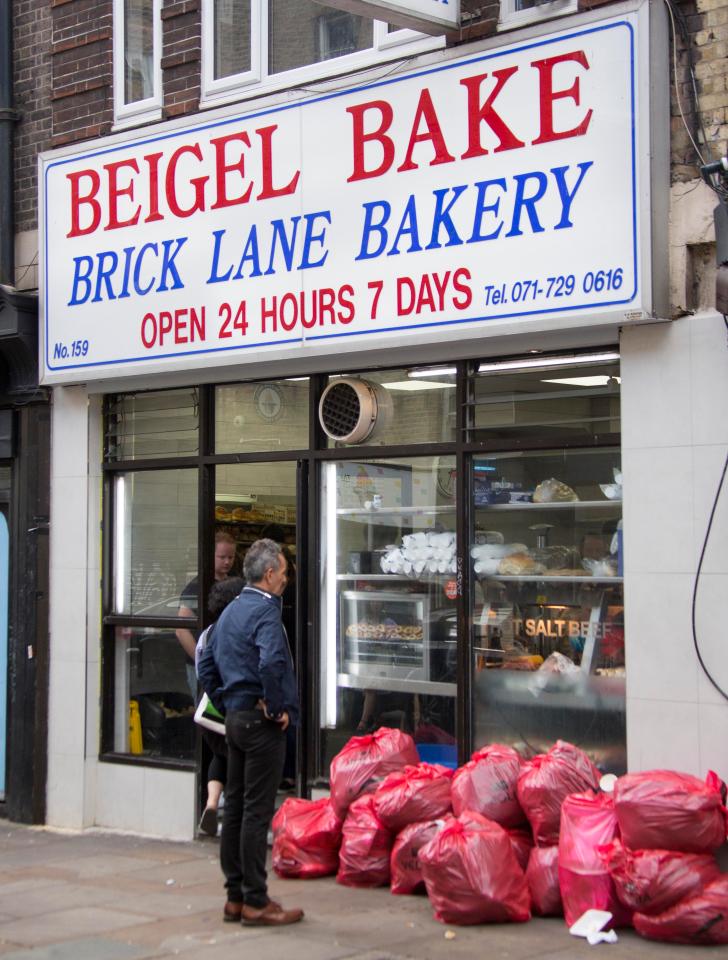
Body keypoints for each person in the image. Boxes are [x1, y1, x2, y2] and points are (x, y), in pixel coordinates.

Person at [197, 538, 303, 927]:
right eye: (286, 573)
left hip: (235, 721)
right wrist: (276, 709)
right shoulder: (264, 612)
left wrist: (227, 703)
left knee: (237, 809)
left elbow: (205, 664)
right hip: (260, 726)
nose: (287, 580)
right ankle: (256, 901)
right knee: (257, 813)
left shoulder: (230, 613)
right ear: (270, 573)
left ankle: (235, 897)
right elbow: (273, 659)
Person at [194, 576, 245, 837]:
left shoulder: (207, 634)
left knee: (220, 755)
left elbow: (200, 668)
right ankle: (238, 816)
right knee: (239, 757)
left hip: (208, 712)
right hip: (232, 707)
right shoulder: (238, 633)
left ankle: (212, 803)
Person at [176, 531, 237, 699]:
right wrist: (201, 660)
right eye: (222, 557)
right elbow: (181, 629)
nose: (227, 562)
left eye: (231, 557)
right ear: (211, 555)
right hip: (208, 664)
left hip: (227, 662)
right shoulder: (197, 587)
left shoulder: (234, 584)